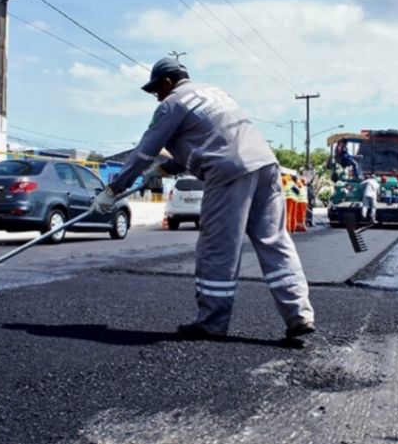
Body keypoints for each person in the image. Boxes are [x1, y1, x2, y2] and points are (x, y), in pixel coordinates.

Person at [93, 57, 315, 340]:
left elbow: (144, 151)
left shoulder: (172, 103)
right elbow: (210, 140)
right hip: (266, 166)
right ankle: (299, 314)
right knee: (275, 242)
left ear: (167, 82)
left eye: (155, 91)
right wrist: (164, 168)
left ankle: (212, 322)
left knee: (218, 247)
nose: (156, 97)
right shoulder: (214, 92)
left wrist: (113, 190)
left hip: (229, 172)